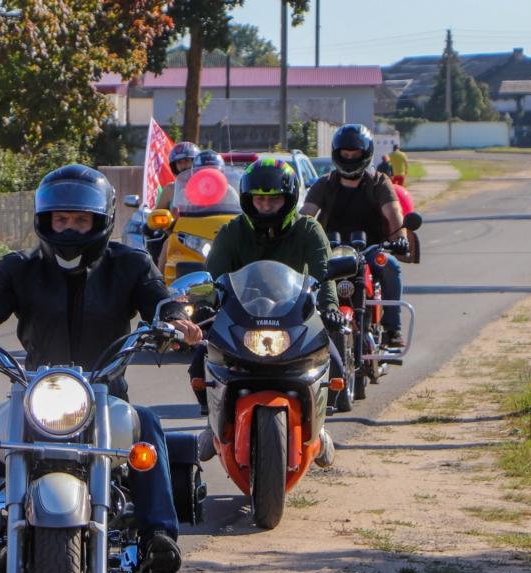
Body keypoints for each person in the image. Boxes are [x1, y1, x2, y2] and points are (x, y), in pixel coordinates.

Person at [0, 164, 203, 573]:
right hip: (37, 392)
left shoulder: (130, 265)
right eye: (61, 219)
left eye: (80, 219)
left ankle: (161, 544)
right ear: (46, 220)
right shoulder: (19, 268)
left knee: (147, 425)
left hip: (104, 393)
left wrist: (175, 318)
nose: (70, 228)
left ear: (101, 221)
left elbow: (160, 299)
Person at [188, 158, 344, 467]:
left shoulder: (309, 230)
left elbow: (325, 276)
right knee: (198, 364)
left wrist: (329, 308)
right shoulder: (231, 232)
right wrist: (204, 304)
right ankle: (212, 423)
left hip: (296, 315)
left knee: (336, 365)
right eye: (259, 199)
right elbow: (211, 277)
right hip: (240, 316)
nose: (266, 206)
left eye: (274, 199)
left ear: (290, 199)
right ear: (248, 199)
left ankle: (320, 426)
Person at [300, 124, 409, 347]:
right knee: (304, 276)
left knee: (391, 266)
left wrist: (400, 238)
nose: (349, 158)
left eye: (355, 154)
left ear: (365, 154)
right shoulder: (325, 184)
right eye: (345, 154)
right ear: (337, 154)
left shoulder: (379, 182)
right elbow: (306, 214)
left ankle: (392, 329)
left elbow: (394, 212)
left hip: (370, 249)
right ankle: (302, 330)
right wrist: (293, 236)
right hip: (331, 250)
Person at [153, 141, 200, 211]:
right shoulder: (170, 189)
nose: (183, 165)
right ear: (174, 166)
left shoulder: (206, 185)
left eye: (187, 160)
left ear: (196, 162)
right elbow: (157, 214)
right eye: (179, 162)